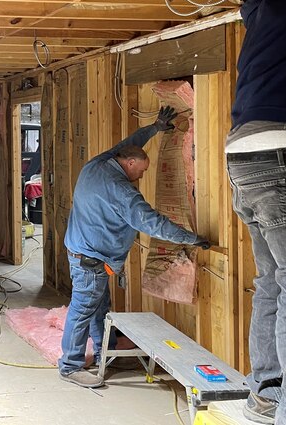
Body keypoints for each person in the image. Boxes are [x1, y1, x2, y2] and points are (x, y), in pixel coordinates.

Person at [58, 106, 210, 388]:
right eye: (140, 172)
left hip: (81, 252)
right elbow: (152, 223)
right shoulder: (122, 190)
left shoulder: (98, 163)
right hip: (92, 261)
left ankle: (107, 350)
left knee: (100, 307)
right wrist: (192, 238)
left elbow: (130, 144)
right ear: (128, 164)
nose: (140, 177)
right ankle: (70, 365)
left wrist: (154, 128)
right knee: (83, 309)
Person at [226, 0, 286, 425]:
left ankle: (267, 391)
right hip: (282, 155)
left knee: (275, 281)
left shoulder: (260, 20)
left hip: (246, 158)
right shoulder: (282, 3)